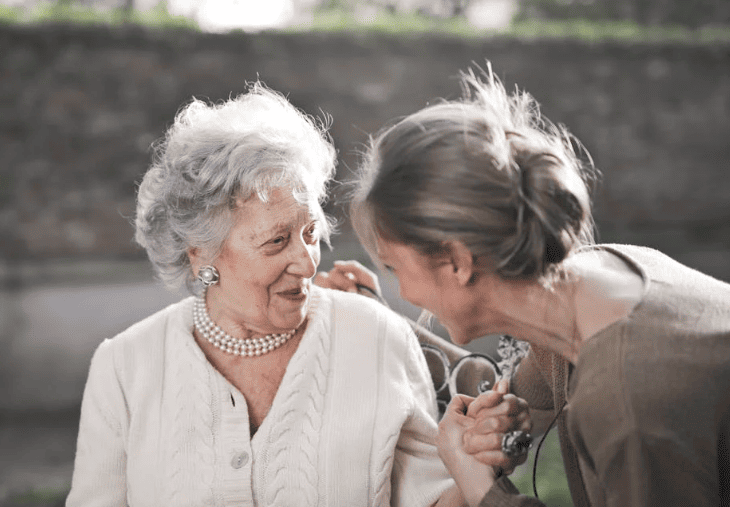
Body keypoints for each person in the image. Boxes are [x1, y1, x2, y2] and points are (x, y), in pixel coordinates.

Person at [65, 82, 531, 506]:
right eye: (276, 241)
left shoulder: (375, 337)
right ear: (201, 254)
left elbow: (433, 500)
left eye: (310, 232)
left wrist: (474, 461)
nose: (308, 262)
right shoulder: (125, 368)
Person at [324, 67, 730, 507]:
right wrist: (376, 321)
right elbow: (517, 398)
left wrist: (482, 487)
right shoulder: (595, 282)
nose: (403, 292)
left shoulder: (628, 405)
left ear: (458, 262)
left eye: (393, 266)